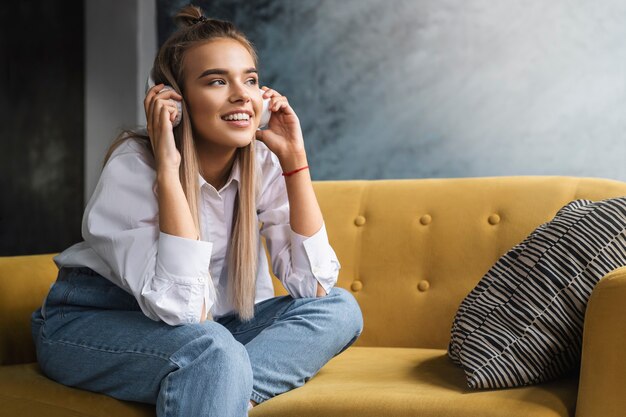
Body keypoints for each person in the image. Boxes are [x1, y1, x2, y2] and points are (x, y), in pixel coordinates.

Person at [30, 5, 363, 416]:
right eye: (217, 81)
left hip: (206, 330)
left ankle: (223, 389)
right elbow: (180, 308)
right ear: (177, 100)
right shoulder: (135, 166)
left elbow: (313, 287)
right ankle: (214, 377)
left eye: (251, 80)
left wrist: (295, 161)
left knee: (339, 309)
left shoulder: (261, 161)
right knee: (212, 349)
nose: (242, 94)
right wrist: (169, 173)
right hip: (89, 322)